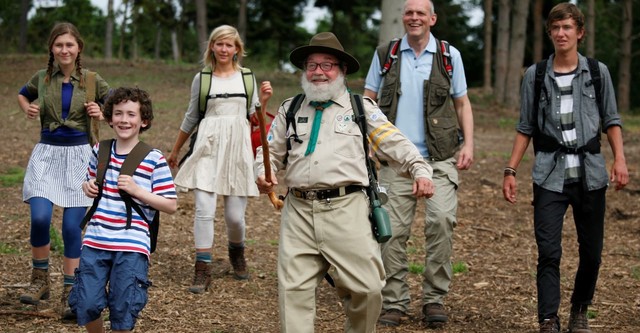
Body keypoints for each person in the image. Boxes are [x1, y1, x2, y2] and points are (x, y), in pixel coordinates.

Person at [255, 31, 435, 333]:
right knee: (292, 292)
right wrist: (263, 172)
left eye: (327, 65)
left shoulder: (360, 108)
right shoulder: (290, 107)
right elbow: (269, 151)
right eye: (312, 65)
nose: (318, 72)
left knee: (368, 289)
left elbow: (396, 143)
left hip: (347, 209)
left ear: (342, 71)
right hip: (298, 210)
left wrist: (420, 170)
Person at [502, 3, 629, 333]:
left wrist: (620, 160)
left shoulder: (598, 73)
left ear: (580, 33)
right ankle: (548, 319)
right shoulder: (537, 74)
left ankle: (579, 311)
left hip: (590, 174)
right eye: (555, 28)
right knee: (548, 252)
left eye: (567, 28)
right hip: (548, 174)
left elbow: (612, 120)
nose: (561, 33)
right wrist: (511, 170)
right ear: (550, 33)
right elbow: (525, 126)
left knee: (592, 254)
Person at [363, 0, 474, 328]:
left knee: (440, 223)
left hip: (438, 158)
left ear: (432, 19)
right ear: (404, 18)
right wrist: (369, 141)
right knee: (391, 232)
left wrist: (469, 143)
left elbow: (463, 103)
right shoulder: (387, 54)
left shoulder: (448, 57)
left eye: (420, 14)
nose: (414, 18)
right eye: (409, 13)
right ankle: (394, 301)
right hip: (395, 161)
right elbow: (368, 98)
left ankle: (434, 299)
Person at [167, 25, 273, 293]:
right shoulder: (202, 79)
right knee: (203, 208)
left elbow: (254, 117)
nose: (224, 49)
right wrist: (175, 150)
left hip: (237, 148)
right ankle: (202, 269)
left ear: (237, 49)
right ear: (212, 47)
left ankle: (236, 252)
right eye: (219, 44)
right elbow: (192, 115)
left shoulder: (247, 78)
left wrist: (264, 101)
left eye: (229, 45)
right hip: (208, 145)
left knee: (235, 217)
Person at [17, 22, 111, 320]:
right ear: (52, 49)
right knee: (40, 217)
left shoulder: (93, 80)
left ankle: (71, 291)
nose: (64, 50)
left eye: (69, 45)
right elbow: (23, 94)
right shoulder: (42, 78)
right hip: (46, 155)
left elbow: (116, 105)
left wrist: (102, 112)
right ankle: (40, 280)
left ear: (78, 48)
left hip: (81, 157)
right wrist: (27, 108)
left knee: (72, 228)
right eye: (59, 45)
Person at [69, 87, 177, 333]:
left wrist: (139, 191)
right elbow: (91, 183)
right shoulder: (100, 150)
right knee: (86, 303)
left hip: (131, 244)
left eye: (131, 114)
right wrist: (88, 187)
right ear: (109, 118)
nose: (124, 120)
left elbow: (170, 204)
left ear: (144, 120)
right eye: (118, 114)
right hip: (96, 240)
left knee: (123, 308)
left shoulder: (154, 158)